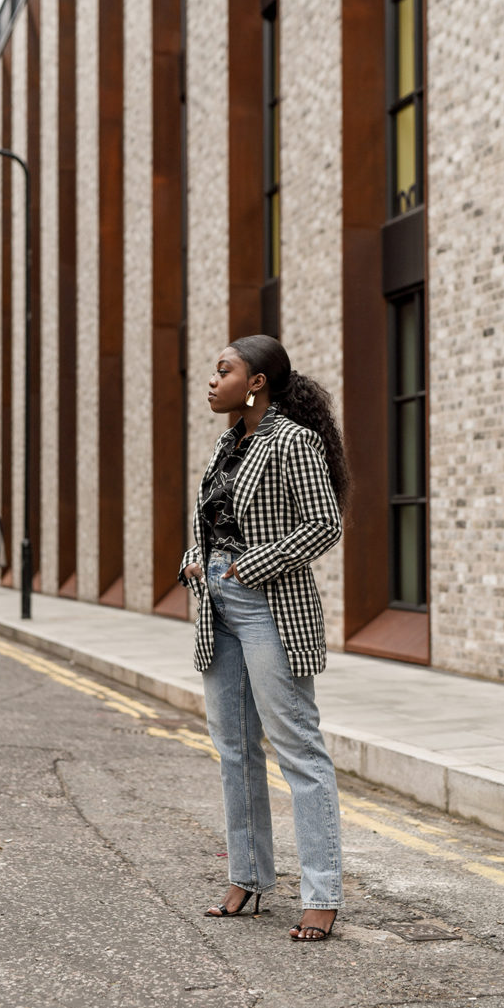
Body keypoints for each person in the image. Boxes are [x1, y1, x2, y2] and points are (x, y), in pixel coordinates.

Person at [179, 335, 350, 943]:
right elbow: (207, 523)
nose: (211, 380)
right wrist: (197, 559)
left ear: (256, 382)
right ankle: (247, 877)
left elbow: (324, 523)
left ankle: (322, 891)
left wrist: (248, 566)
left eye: (223, 370)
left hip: (269, 606)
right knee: (234, 748)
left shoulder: (293, 441)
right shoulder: (228, 446)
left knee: (297, 746)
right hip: (216, 609)